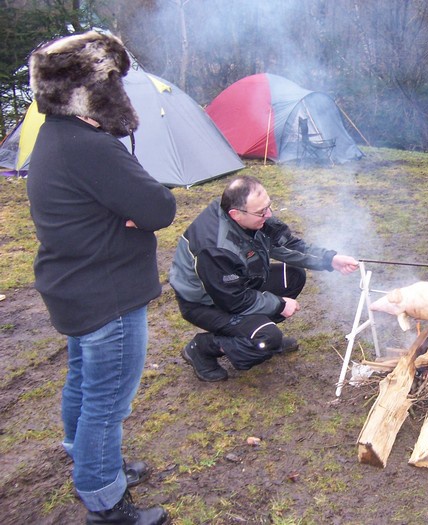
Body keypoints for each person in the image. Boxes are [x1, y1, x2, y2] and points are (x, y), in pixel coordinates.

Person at [26, 31, 176, 524]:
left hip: (76, 288)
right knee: (107, 403)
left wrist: (125, 209)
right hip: (107, 297)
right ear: (94, 90)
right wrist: (130, 210)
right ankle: (104, 499)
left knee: (84, 384)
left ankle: (91, 460)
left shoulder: (54, 136)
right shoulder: (89, 147)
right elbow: (158, 207)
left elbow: (136, 207)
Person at [169, 175, 359, 381]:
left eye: (268, 206)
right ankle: (204, 347)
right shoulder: (214, 247)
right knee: (267, 338)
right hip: (204, 303)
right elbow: (233, 300)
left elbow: (287, 244)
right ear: (236, 214)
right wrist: (279, 304)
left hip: (238, 285)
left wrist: (330, 260)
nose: (268, 215)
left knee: (293, 276)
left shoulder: (249, 213)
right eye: (261, 212)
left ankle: (258, 332)